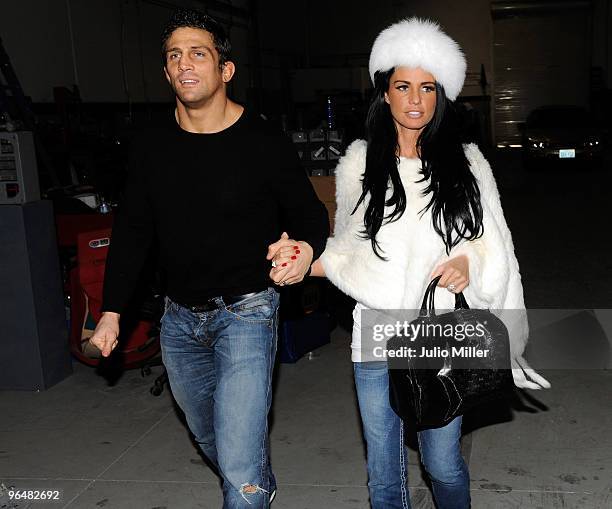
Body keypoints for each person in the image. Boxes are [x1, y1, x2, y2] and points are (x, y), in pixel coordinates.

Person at [268, 17, 550, 509]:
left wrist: (468, 263)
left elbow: (493, 245)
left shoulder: (467, 163)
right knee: (384, 473)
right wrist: (304, 256)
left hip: (440, 337)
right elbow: (348, 250)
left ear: (440, 96)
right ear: (386, 95)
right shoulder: (358, 163)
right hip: (375, 335)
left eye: (427, 88)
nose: (415, 99)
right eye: (403, 86)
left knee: (441, 465)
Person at [89, 8, 328, 508]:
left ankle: (248, 486)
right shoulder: (151, 145)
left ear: (226, 69)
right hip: (178, 321)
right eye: (174, 55)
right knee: (207, 437)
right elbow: (133, 231)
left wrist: (304, 252)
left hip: (247, 312)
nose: (184, 63)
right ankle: (254, 484)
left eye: (199, 53)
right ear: (167, 71)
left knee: (238, 463)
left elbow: (309, 216)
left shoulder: (262, 140)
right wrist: (112, 311)